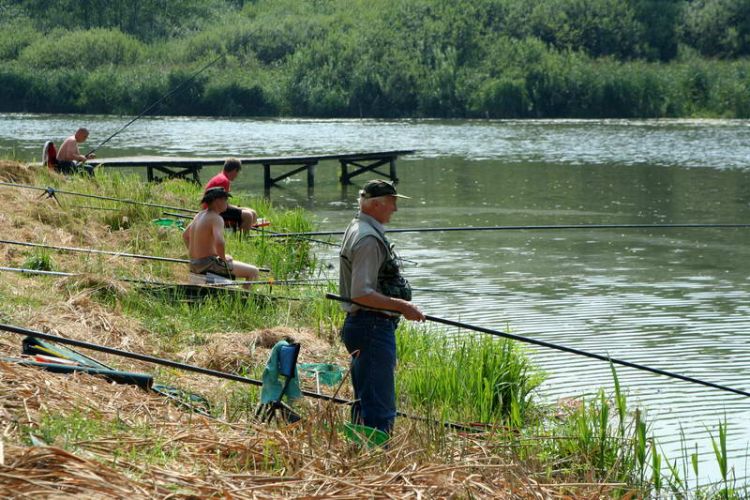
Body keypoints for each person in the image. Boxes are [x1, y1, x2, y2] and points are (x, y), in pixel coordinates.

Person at [338, 179, 425, 437]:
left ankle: (361, 455)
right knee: (380, 406)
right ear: (376, 204)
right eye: (392, 203)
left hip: (363, 326)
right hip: (372, 326)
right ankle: (378, 460)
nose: (395, 209)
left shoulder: (358, 227)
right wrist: (403, 306)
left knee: (366, 400)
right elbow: (361, 293)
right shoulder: (368, 239)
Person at [183, 187, 260, 283]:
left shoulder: (199, 215)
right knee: (253, 272)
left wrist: (194, 255)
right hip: (208, 264)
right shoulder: (216, 218)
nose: (227, 202)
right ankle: (245, 297)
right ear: (217, 201)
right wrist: (223, 259)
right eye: (225, 199)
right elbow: (219, 242)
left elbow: (185, 235)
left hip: (194, 263)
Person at [204, 158, 258, 231]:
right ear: (234, 170)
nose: (237, 175)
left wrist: (236, 208)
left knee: (253, 213)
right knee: (248, 216)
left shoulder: (221, 177)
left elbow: (222, 202)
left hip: (216, 208)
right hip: (214, 211)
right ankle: (243, 239)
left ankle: (241, 231)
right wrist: (237, 208)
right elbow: (220, 205)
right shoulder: (224, 181)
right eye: (237, 172)